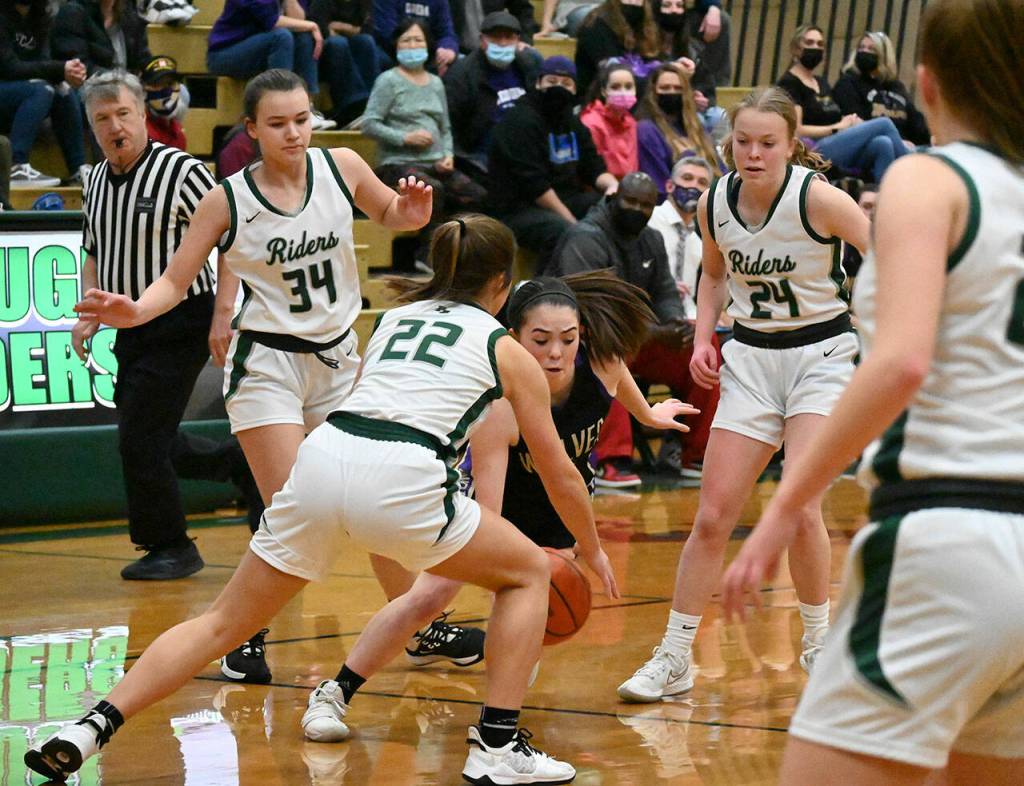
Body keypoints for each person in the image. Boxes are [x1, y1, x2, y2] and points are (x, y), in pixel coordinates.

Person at [27, 214, 621, 786]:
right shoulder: (505, 348)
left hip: (324, 460)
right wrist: (590, 551)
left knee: (220, 624)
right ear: (501, 284)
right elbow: (560, 472)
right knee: (527, 573)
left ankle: (90, 727)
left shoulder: (394, 319)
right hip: (404, 475)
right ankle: (496, 746)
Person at [74, 67, 482, 683]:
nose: (293, 133)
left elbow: (394, 216)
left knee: (380, 502)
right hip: (268, 363)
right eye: (278, 123)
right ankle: (245, 636)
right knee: (293, 512)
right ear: (252, 129)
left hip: (341, 357)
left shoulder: (341, 165)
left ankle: (417, 627)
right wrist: (133, 311)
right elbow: (173, 281)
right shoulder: (225, 198)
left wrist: (414, 211)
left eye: (301, 119)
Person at [721, 2, 1024, 784]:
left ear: (925, 84)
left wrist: (785, 507)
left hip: (952, 540)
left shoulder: (930, 176)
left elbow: (900, 364)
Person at [300, 269, 696, 743]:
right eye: (541, 340)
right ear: (513, 339)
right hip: (500, 509)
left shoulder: (601, 362)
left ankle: (499, 724)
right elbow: (492, 502)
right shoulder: (501, 407)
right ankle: (333, 694)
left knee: (530, 628)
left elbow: (617, 381)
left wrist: (649, 414)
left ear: (581, 336)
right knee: (427, 597)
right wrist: (583, 552)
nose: (555, 353)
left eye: (567, 340)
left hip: (561, 513)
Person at [616, 86, 871, 702]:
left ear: (791, 145)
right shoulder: (715, 202)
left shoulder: (819, 199)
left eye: (767, 143)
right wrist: (705, 338)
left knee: (801, 502)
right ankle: (675, 656)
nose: (752, 153)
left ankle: (818, 643)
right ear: (728, 142)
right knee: (711, 517)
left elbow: (888, 255)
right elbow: (711, 274)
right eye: (743, 142)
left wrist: (880, 324)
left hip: (822, 354)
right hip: (751, 357)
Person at [70, 70, 257, 581]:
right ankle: (234, 464)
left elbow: (234, 240)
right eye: (102, 118)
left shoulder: (181, 170)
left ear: (143, 115)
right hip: (130, 324)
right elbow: (94, 249)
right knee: (150, 433)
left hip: (184, 317)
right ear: (90, 124)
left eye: (123, 114)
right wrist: (90, 314)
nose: (115, 126)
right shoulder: (92, 180)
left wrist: (224, 313)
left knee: (140, 438)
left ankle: (171, 544)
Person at [550, 172, 720, 488]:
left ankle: (694, 453)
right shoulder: (584, 237)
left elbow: (666, 292)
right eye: (630, 201)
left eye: (645, 205)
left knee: (705, 342)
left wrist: (673, 324)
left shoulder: (650, 239)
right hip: (579, 345)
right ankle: (611, 460)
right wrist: (654, 332)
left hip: (638, 339)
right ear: (613, 200)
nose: (637, 210)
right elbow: (591, 312)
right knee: (606, 347)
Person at [363, 19, 487, 262]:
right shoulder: (388, 80)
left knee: (476, 194)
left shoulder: (436, 82)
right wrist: (405, 137)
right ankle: (427, 254)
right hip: (397, 163)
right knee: (434, 190)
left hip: (436, 162)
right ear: (396, 46)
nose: (412, 45)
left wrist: (448, 155)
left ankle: (453, 246)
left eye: (418, 40)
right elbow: (369, 124)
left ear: (428, 45)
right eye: (406, 40)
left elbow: (445, 127)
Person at [487, 55, 617, 275]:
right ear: (538, 84)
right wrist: (574, 224)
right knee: (564, 231)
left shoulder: (573, 122)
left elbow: (593, 167)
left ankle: (608, 285)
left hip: (564, 198)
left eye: (566, 84)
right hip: (518, 209)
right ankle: (543, 291)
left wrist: (613, 188)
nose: (559, 88)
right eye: (552, 81)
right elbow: (535, 185)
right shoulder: (520, 120)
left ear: (575, 89)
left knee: (616, 210)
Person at [777, 24, 907, 183]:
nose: (815, 48)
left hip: (838, 142)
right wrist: (836, 128)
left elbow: (836, 116)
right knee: (884, 124)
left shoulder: (821, 82)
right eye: (809, 43)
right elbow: (797, 130)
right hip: (813, 150)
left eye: (819, 44)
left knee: (883, 143)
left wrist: (851, 122)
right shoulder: (789, 83)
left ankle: (883, 202)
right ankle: (918, 168)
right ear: (796, 48)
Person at [442, 10, 541, 179]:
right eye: (495, 37)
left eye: (508, 37)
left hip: (524, 145)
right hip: (482, 152)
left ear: (518, 41)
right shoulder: (461, 75)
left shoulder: (528, 66)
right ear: (482, 41)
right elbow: (451, 128)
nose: (502, 43)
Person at [0, 0, 88, 189]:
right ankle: (16, 164)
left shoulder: (40, 16)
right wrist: (59, 68)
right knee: (42, 89)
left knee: (62, 89)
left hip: (23, 90)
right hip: (6, 86)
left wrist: (65, 73)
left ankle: (78, 169)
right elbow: (8, 67)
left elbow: (43, 61)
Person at [207, 0, 335, 129]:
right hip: (225, 53)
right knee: (282, 36)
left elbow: (298, 20)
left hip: (260, 50)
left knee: (304, 37)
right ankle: (281, 108)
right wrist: (312, 25)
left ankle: (307, 108)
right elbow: (271, 21)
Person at [637, 62, 722, 200]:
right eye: (665, 88)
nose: (672, 93)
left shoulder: (698, 128)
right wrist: (688, 155)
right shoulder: (647, 130)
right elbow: (659, 187)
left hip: (712, 206)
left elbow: (721, 173)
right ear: (653, 92)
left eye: (678, 88)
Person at [834, 30, 930, 148]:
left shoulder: (896, 86)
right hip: (872, 145)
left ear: (884, 55)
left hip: (905, 147)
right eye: (861, 48)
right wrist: (897, 141)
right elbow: (856, 122)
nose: (864, 51)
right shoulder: (848, 82)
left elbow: (915, 121)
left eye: (871, 49)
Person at [652, 0, 726, 139]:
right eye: (667, 6)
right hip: (661, 106)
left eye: (679, 6)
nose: (674, 10)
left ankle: (715, 158)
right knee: (699, 120)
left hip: (691, 107)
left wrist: (703, 99)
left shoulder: (692, 47)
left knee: (718, 115)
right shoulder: (646, 47)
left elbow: (707, 86)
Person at [310, 0, 388, 127]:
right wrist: (350, 30)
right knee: (338, 43)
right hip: (321, 53)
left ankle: (373, 104)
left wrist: (338, 26)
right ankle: (352, 107)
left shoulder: (364, 3)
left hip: (350, 44)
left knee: (366, 41)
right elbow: (320, 29)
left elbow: (367, 30)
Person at [573, 0, 660, 97]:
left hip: (636, 97)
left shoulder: (644, 26)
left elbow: (650, 63)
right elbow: (612, 71)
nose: (632, 2)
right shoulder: (596, 25)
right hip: (598, 98)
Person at [52, 0, 152, 75]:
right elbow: (79, 67)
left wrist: (160, 72)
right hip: (91, 91)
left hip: (126, 89)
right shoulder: (72, 12)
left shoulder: (128, 14)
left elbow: (143, 60)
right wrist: (121, 80)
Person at [579, 62, 639, 181]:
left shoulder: (631, 122)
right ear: (603, 91)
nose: (623, 92)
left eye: (628, 86)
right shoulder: (591, 123)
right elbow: (591, 169)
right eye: (615, 87)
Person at [370, 0, 459, 75]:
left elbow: (447, 33)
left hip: (427, 50)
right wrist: (415, 47)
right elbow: (387, 32)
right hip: (392, 50)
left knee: (459, 63)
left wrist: (448, 49)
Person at [451, 0, 537, 54]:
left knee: (531, 56)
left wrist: (524, 40)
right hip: (458, 50)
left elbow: (523, 10)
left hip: (498, 46)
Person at [141, 55, 189, 150]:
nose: (166, 90)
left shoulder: (178, 133)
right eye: (157, 84)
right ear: (143, 89)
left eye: (170, 84)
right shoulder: (139, 131)